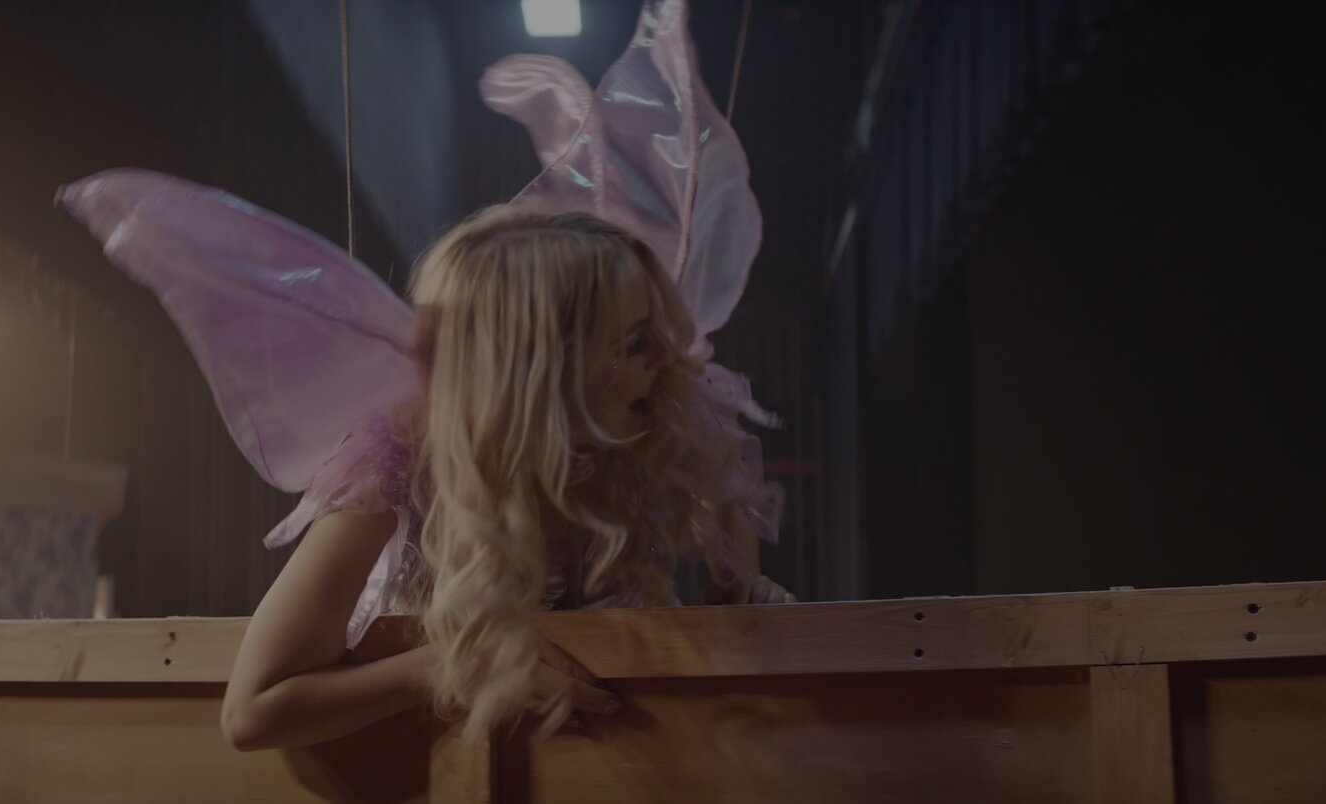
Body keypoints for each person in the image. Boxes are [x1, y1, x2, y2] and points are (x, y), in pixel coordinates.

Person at [58, 0, 791, 753]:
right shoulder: (400, 471)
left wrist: (745, 607)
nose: (671, 358)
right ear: (544, 370)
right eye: (635, 343)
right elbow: (252, 713)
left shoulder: (667, 433)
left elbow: (727, 598)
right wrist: (453, 667)